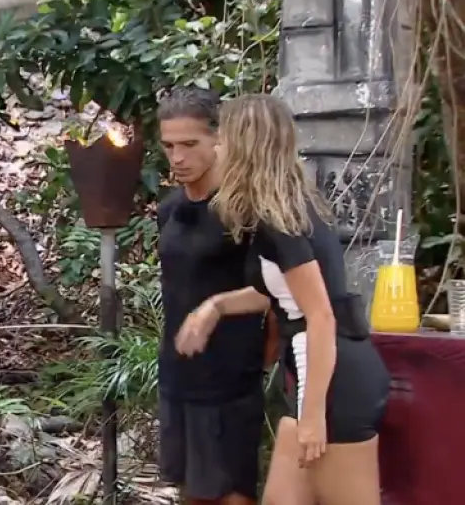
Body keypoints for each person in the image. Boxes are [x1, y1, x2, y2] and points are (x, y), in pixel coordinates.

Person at [175, 94, 391, 505]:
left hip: (333, 382)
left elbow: (320, 315)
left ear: (244, 148)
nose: (217, 149)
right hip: (318, 376)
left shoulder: (280, 224)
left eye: (222, 140)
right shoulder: (283, 210)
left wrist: (314, 416)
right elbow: (278, 293)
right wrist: (215, 307)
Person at [155, 86, 272, 505]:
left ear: (219, 139)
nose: (177, 157)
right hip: (178, 373)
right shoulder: (170, 210)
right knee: (191, 491)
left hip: (230, 377)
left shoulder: (244, 209)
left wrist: (216, 309)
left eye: (189, 145)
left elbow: (277, 291)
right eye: (169, 146)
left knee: (230, 493)